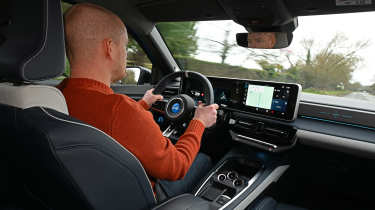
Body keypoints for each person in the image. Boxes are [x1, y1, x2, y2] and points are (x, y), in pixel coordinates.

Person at [58, 3, 219, 199]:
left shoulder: (56, 95)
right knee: (203, 159)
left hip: (84, 193)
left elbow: (110, 126)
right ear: (109, 48)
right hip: (141, 198)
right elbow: (177, 166)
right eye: (124, 46)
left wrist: (143, 105)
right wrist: (199, 122)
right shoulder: (121, 110)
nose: (125, 54)